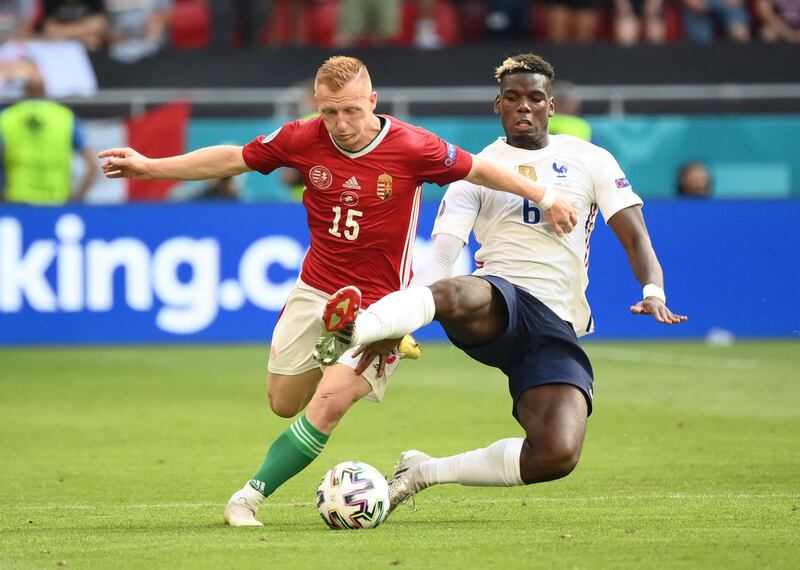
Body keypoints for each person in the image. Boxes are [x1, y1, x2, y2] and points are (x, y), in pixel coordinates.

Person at [98, 55, 578, 527]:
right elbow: (234, 158)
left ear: (373, 100)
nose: (342, 123)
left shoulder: (413, 146)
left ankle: (247, 499)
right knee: (283, 402)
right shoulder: (301, 138)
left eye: (352, 110)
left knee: (328, 403)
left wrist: (545, 195)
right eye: (330, 111)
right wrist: (150, 167)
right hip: (316, 291)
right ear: (317, 105)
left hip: (380, 303)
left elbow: (478, 169)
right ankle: (335, 343)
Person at [314, 53, 687, 513]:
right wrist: (397, 321)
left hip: (556, 322)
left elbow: (635, 236)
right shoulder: (477, 169)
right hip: (499, 300)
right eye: (513, 98)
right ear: (498, 105)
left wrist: (653, 291)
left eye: (534, 98)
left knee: (556, 453)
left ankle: (423, 471)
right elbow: (442, 257)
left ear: (551, 106)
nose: (524, 107)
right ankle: (356, 330)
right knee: (456, 290)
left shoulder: (590, 159)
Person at [0, 97, 96, 203]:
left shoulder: (6, 117)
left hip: (16, 200)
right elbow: (92, 164)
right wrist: (77, 198)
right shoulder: (65, 117)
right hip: (57, 200)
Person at [104, 0, 173, 63]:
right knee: (97, 26)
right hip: (117, 37)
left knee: (157, 23)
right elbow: (105, 16)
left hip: (152, 39)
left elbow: (167, 13)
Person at [41, 0, 108, 51]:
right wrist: (83, 35)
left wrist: (63, 32)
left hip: (89, 53)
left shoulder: (94, 2)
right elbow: (50, 31)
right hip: (58, 51)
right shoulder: (50, 2)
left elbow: (100, 25)